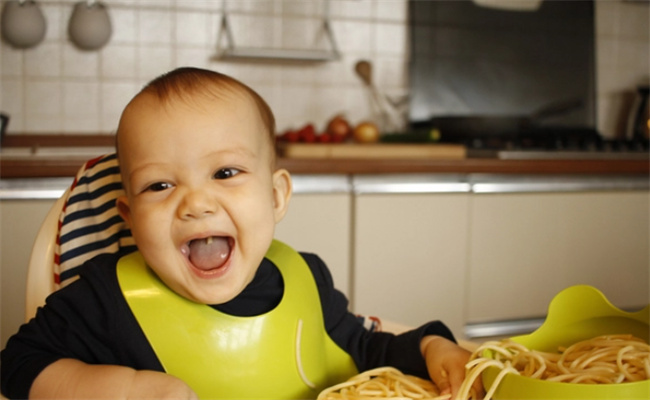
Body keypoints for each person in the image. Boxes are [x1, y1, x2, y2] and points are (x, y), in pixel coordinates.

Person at [1, 67, 483, 399]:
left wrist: (430, 346)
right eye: (160, 185)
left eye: (225, 173)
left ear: (276, 197)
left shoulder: (304, 280)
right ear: (128, 215)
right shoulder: (108, 300)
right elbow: (19, 363)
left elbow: (363, 350)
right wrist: (124, 389)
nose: (196, 202)